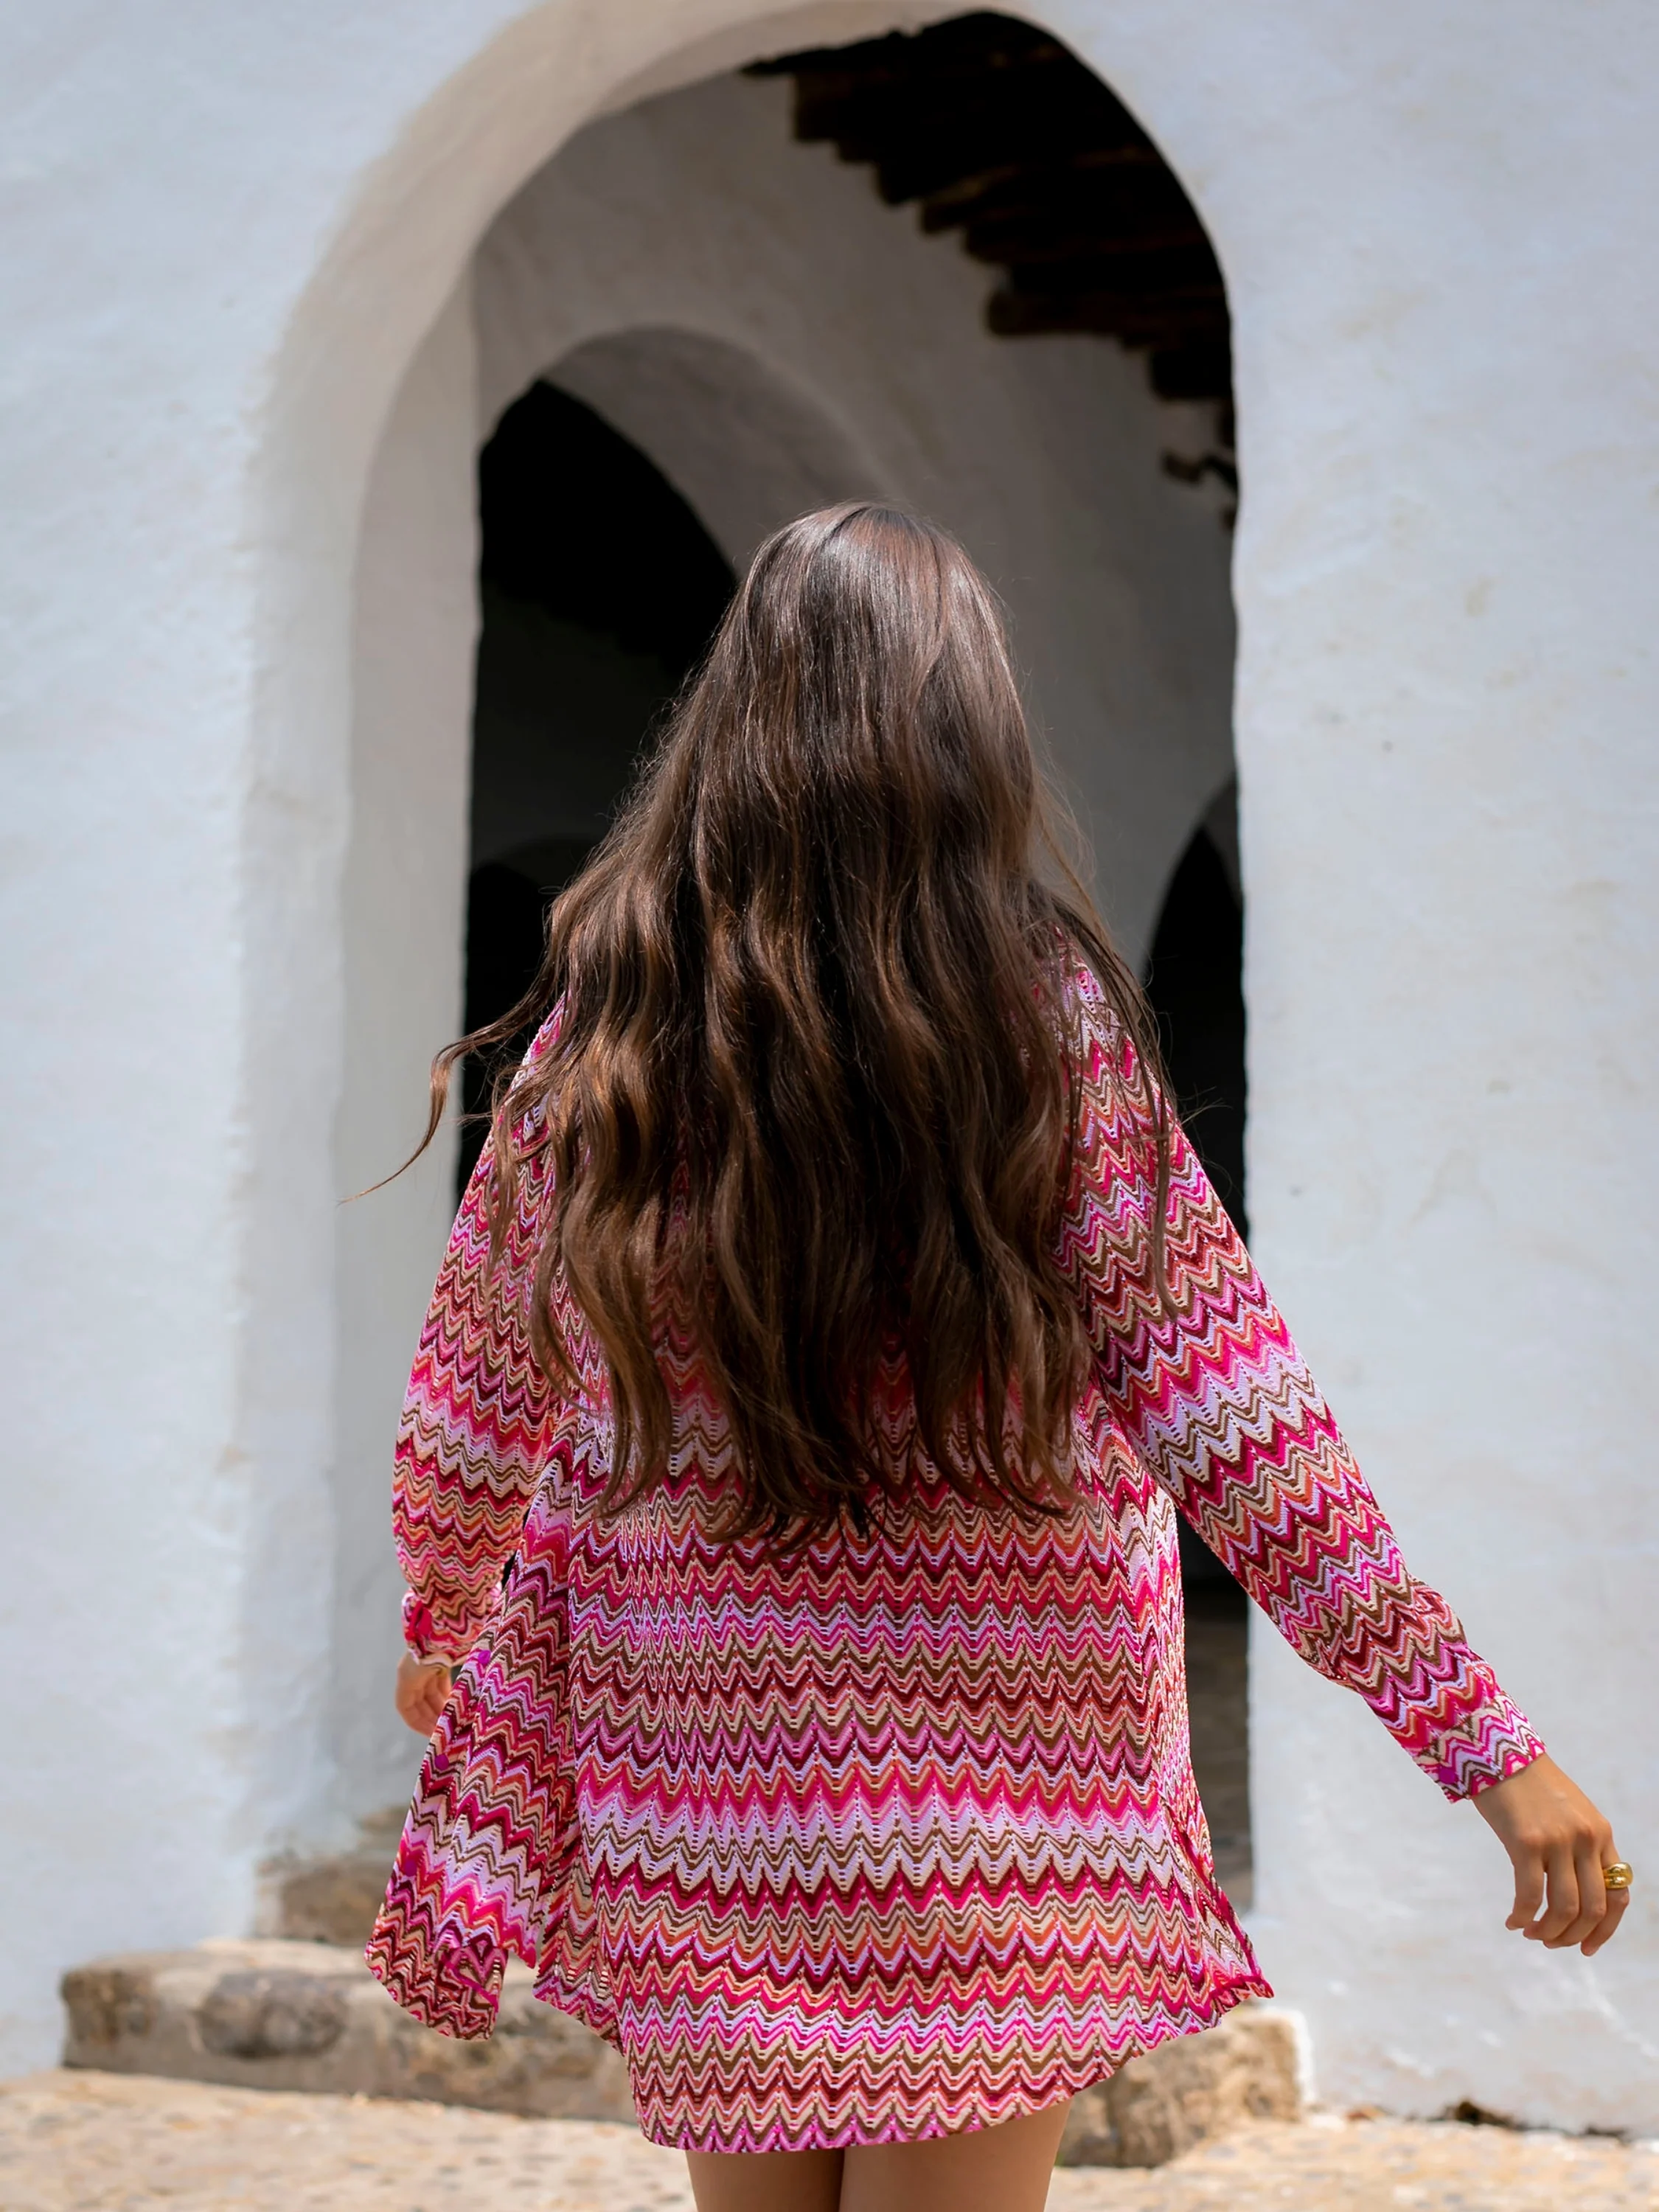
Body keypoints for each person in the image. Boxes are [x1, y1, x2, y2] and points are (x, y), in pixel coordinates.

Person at [366, 504, 1628, 2212]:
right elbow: (1249, 1442)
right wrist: (1489, 1748)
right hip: (1002, 1796)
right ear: (969, 733)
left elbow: (470, 1396)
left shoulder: (617, 1026)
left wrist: (441, 1615)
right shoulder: (1041, 1027)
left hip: (705, 1779)